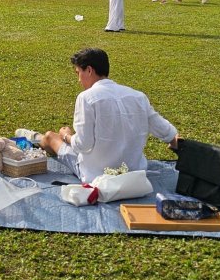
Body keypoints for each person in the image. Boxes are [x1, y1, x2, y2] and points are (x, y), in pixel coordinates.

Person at [39, 48, 180, 183]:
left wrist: (66, 136)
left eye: (78, 73)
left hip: (99, 176)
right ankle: (37, 138)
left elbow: (83, 144)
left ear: (89, 70)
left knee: (50, 137)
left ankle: (36, 139)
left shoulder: (86, 98)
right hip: (134, 173)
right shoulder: (138, 96)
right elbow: (166, 131)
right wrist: (176, 143)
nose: (78, 80)